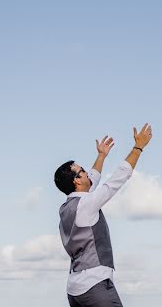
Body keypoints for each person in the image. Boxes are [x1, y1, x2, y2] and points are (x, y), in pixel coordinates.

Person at [53, 123, 153, 307]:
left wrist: (101, 156)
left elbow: (93, 179)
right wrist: (138, 147)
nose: (86, 173)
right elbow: (117, 179)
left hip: (74, 290)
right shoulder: (86, 205)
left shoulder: (66, 208)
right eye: (82, 171)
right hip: (95, 286)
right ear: (76, 180)